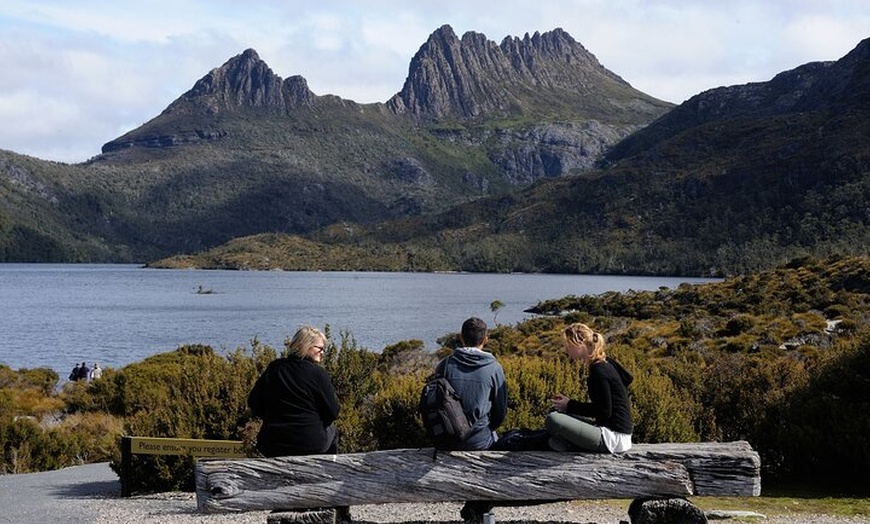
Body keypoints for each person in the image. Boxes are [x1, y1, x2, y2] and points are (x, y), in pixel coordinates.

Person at [434, 317, 508, 522]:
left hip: (446, 439)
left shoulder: (444, 365)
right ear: (486, 339)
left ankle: (475, 507)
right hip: (478, 441)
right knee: (495, 439)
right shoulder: (494, 368)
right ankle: (479, 507)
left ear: (460, 338)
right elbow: (500, 413)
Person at [248, 325, 340, 457]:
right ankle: (329, 473)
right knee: (332, 431)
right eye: (320, 348)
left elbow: (254, 402)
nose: (323, 352)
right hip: (310, 443)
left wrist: (272, 418)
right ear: (306, 346)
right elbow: (333, 411)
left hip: (272, 442)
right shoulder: (318, 374)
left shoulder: (275, 368)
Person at [546, 322, 633, 453]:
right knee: (556, 411)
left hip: (613, 438)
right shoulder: (605, 361)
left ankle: (567, 444)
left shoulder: (598, 370)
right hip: (616, 433)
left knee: (553, 419)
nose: (566, 350)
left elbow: (604, 411)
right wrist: (567, 405)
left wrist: (569, 405)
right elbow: (628, 378)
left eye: (568, 345)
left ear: (579, 344)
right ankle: (564, 442)